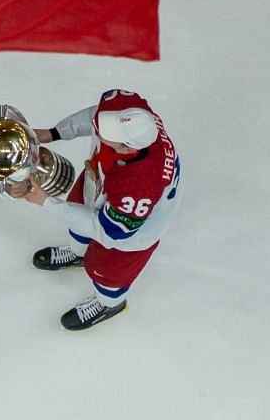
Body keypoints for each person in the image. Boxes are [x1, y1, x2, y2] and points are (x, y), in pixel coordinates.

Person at [10, 89, 179, 330]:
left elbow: (107, 230)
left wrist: (46, 202)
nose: (99, 128)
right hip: (100, 182)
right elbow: (94, 116)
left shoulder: (138, 187)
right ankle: (78, 252)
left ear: (126, 148)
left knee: (109, 270)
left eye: (108, 134)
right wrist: (52, 133)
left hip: (129, 232)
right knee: (78, 210)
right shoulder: (130, 110)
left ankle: (110, 304)